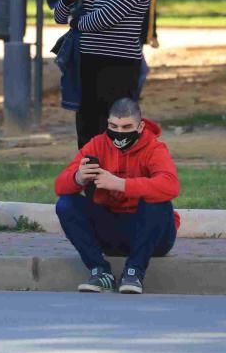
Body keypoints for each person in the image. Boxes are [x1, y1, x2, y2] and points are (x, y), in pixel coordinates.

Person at [54, 98, 180, 295]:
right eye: (114, 126)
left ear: (140, 126)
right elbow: (60, 186)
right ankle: (100, 271)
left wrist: (121, 184)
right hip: (111, 229)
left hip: (153, 234)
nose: (119, 132)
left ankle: (134, 272)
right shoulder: (97, 145)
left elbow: (170, 185)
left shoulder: (154, 148)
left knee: (158, 199)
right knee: (66, 204)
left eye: (126, 126)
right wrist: (78, 178)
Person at [53, 0, 149, 148]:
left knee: (118, 133)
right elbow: (59, 16)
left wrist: (76, 23)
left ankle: (117, 183)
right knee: (88, 133)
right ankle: (92, 184)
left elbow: (104, 18)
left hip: (119, 65)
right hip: (87, 64)